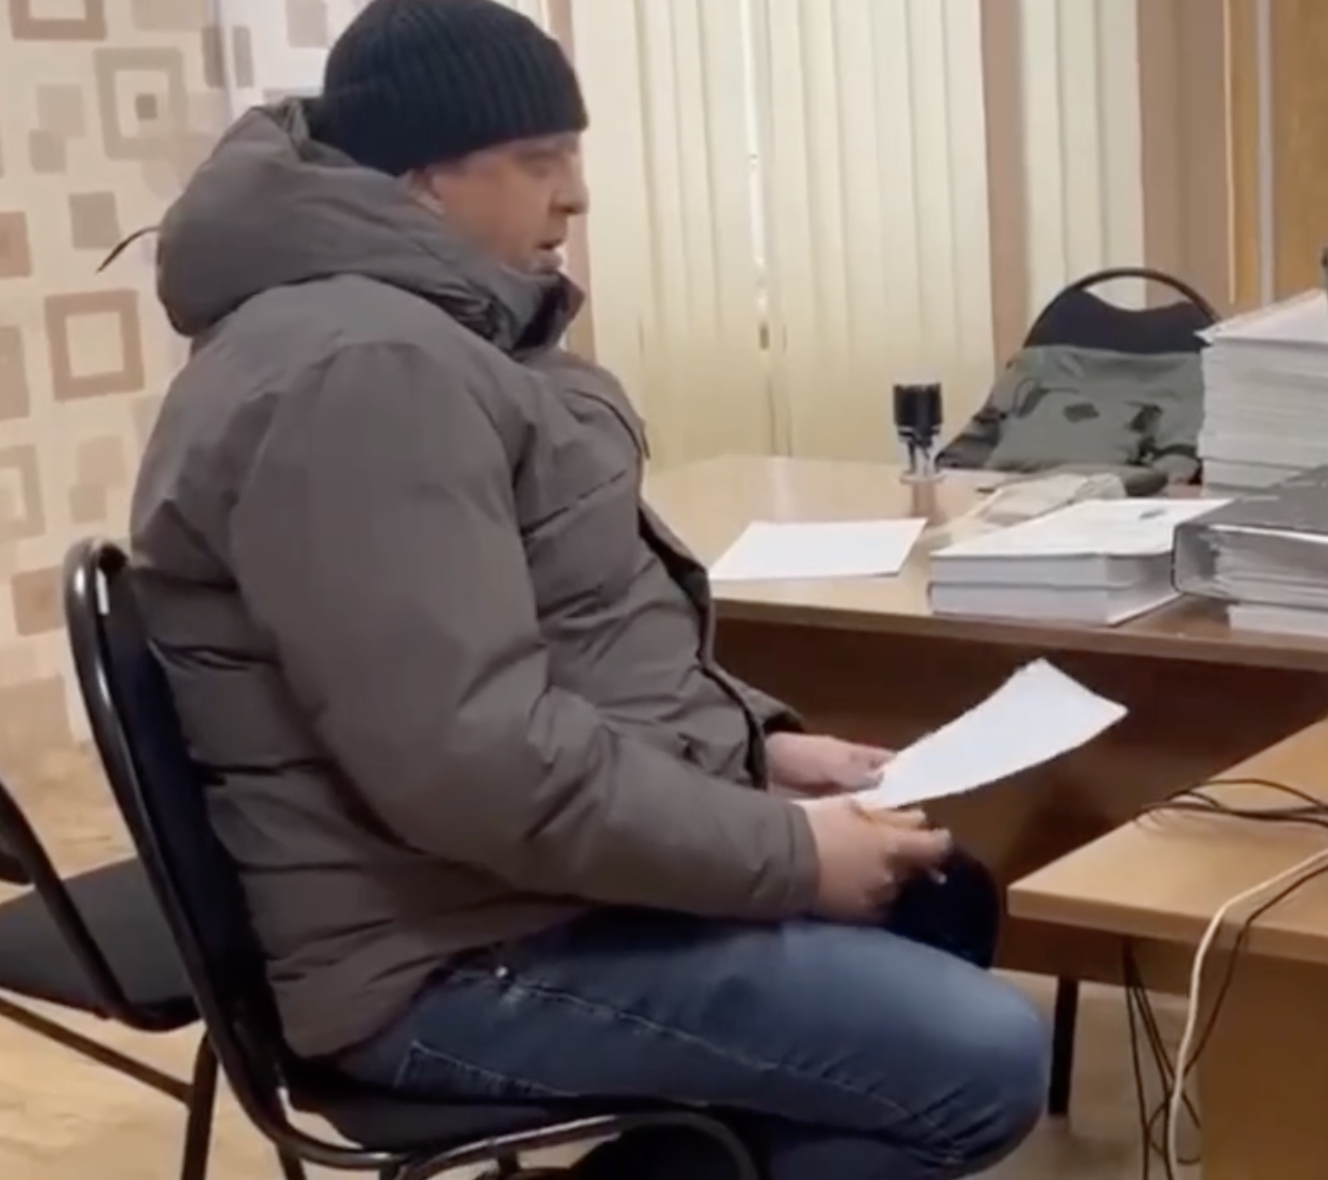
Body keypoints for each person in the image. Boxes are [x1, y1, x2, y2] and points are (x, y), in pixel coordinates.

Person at [127, 0, 1050, 1176]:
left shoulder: (431, 335)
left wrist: (756, 750)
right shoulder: (361, 372)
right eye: (538, 160)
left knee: (938, 903)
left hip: (500, 891)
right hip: (444, 957)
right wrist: (788, 853)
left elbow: (565, 645)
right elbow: (471, 760)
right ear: (420, 178)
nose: (577, 198)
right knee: (978, 1058)